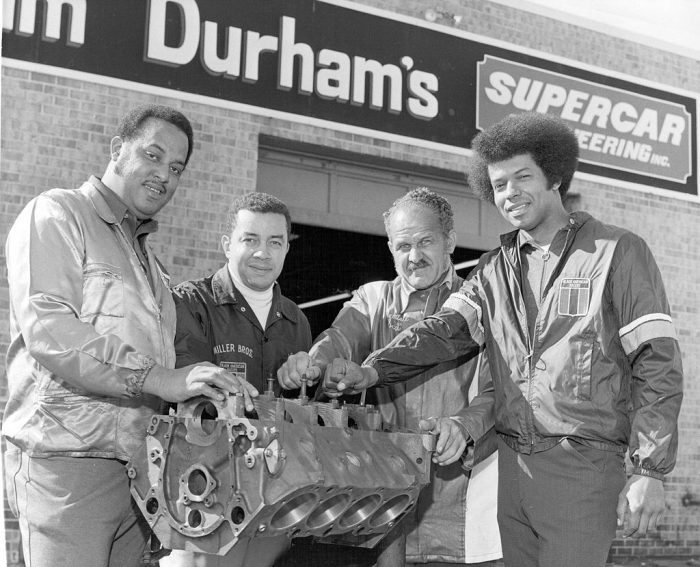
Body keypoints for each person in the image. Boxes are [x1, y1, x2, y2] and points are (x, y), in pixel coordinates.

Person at [321, 112, 684, 567]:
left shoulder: (617, 251)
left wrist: (649, 469)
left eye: (522, 177)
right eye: (497, 184)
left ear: (554, 175)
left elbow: (656, 362)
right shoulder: (493, 269)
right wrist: (373, 369)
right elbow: (443, 333)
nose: (509, 193)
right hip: (513, 470)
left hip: (584, 467)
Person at [3, 104, 258, 567]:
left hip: (139, 472)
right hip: (68, 464)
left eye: (177, 168)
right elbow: (50, 330)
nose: (165, 175)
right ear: (118, 150)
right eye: (154, 156)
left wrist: (206, 387)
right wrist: (161, 378)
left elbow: (173, 364)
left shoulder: (152, 268)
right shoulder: (60, 214)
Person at [277, 187, 501, 566]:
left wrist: (464, 426)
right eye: (402, 246)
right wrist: (313, 365)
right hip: (383, 502)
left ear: (451, 242)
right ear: (390, 249)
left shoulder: (480, 306)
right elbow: (338, 339)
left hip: (461, 498)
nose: (414, 257)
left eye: (426, 242)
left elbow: (499, 390)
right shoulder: (372, 299)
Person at [162, 191, 313, 567]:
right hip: (205, 501)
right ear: (227, 244)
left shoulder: (297, 322)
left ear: (285, 250)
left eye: (275, 242)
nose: (263, 253)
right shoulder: (190, 304)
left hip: (274, 502)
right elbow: (189, 400)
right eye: (250, 240)